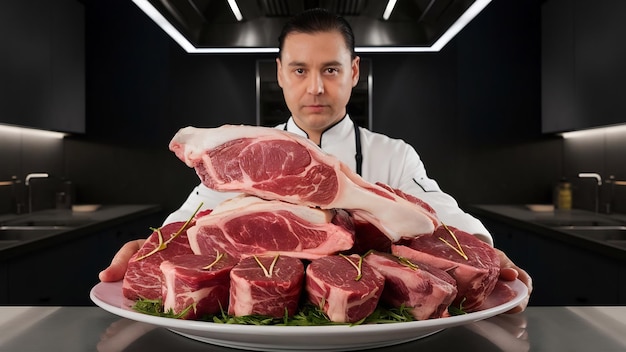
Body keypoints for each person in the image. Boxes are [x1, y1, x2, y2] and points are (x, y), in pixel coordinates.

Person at [99, 8, 532, 313]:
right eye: (301, 70)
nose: (316, 88)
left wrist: (488, 254)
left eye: (330, 69)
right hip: (265, 315)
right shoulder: (242, 158)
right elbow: (193, 213)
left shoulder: (392, 154)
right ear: (281, 73)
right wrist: (157, 246)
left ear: (354, 72)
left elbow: (442, 214)